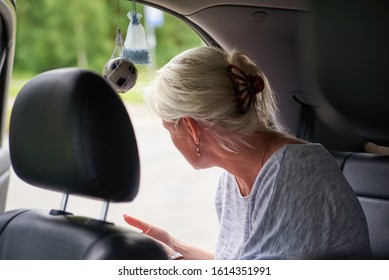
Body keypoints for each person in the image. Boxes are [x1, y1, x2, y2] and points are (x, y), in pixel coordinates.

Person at [123, 46, 371, 260]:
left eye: (169, 128)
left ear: (191, 128)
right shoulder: (231, 180)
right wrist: (174, 247)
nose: (171, 139)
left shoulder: (295, 171)